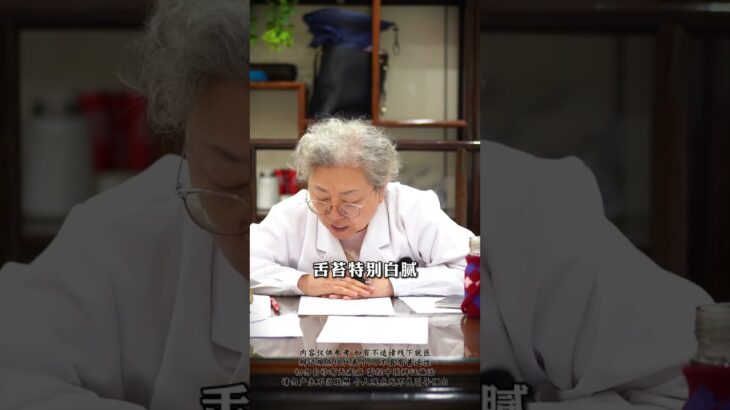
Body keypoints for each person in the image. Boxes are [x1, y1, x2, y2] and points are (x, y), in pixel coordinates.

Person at [0, 0, 251, 409]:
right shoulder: (127, 239)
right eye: (230, 173)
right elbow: (11, 374)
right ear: (185, 135)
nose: (262, 222)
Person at [250, 118, 475, 298]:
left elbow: (473, 269)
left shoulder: (412, 208)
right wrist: (303, 282)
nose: (333, 214)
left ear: (381, 189)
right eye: (321, 197)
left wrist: (394, 284)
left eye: (349, 202)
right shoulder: (293, 213)